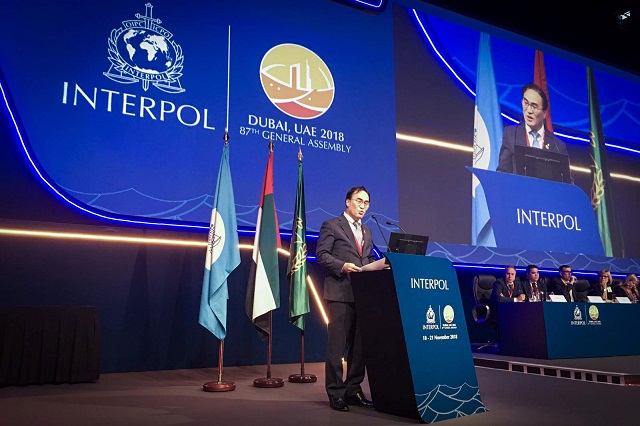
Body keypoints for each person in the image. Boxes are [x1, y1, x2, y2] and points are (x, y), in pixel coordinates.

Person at [316, 186, 376, 412]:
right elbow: (322, 255)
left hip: (363, 295)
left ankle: (353, 389)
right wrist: (342, 266)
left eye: (367, 202)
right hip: (340, 293)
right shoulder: (331, 225)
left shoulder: (367, 231)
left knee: (359, 349)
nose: (363, 206)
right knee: (337, 348)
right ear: (347, 202)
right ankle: (335, 393)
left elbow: (367, 257)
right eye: (359, 201)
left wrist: (379, 265)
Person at [497, 83, 570, 175]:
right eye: (526, 103)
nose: (529, 111)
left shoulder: (558, 146)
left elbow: (567, 181)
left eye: (534, 106)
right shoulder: (511, 135)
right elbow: (502, 173)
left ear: (544, 113)